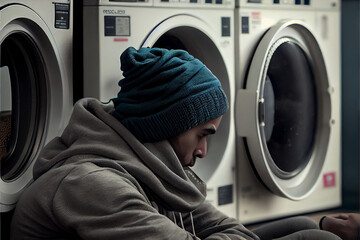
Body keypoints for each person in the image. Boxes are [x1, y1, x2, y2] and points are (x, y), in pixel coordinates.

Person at [10, 47, 340, 240]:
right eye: (202, 134)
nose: (203, 152)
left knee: (305, 226)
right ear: (168, 123)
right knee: (317, 239)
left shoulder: (150, 168)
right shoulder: (90, 185)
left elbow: (229, 228)